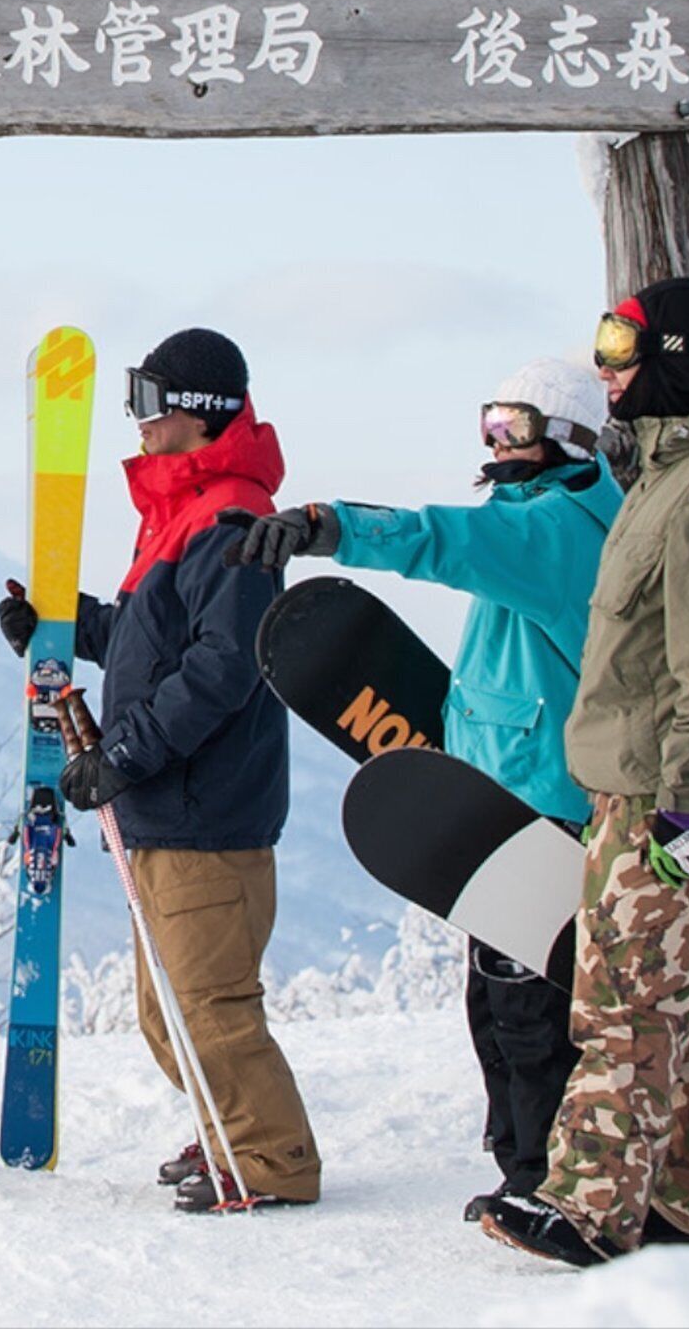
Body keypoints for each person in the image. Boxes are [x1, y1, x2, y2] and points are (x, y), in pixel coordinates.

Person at [235, 358, 621, 1223]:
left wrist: (328, 527)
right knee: (502, 998)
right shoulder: (546, 516)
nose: (495, 444)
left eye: (514, 428)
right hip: (506, 797)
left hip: (537, 805)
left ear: (569, 438)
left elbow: (436, 539)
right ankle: (526, 1163)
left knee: (527, 1007)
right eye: (489, 423)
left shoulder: (554, 530)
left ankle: (546, 1180)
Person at [479, 278, 689, 1269]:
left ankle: (590, 1207)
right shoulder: (666, 473)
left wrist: (688, 805)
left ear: (674, 358)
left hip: (669, 791)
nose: (606, 369)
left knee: (625, 1000)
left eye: (621, 348)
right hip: (633, 782)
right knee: (685, 1002)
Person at [0, 327, 317, 1213]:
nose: (134, 419)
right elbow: (155, 641)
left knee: (209, 1007)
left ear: (198, 410)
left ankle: (273, 1160)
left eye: (147, 399)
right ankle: (227, 1130)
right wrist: (67, 628)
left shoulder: (230, 519)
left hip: (203, 810)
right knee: (166, 1012)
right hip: (168, 809)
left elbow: (222, 666)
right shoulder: (184, 512)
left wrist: (124, 753)